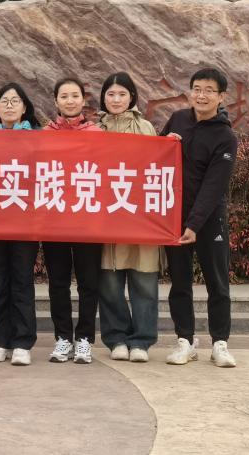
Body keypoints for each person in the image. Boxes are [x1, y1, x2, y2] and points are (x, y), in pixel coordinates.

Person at [161, 67, 239, 368]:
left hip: (209, 220)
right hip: (173, 217)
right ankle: (185, 341)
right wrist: (165, 142)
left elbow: (213, 186)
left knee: (217, 283)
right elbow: (155, 159)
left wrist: (193, 224)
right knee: (179, 283)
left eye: (209, 90)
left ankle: (220, 343)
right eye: (196, 89)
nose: (201, 95)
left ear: (221, 97)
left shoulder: (225, 137)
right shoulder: (178, 119)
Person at [96, 72, 165, 363]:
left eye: (122, 94)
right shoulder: (95, 130)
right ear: (103, 98)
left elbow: (159, 169)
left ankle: (142, 341)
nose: (116, 100)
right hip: (105, 219)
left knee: (144, 283)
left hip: (140, 219)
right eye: (110, 94)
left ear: (132, 97)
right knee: (110, 284)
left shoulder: (146, 128)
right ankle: (117, 339)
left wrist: (171, 145)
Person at [41, 78, 103, 364]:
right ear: (56, 101)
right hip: (53, 218)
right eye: (64, 96)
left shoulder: (97, 134)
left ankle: (85, 339)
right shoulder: (45, 134)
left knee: (89, 283)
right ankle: (63, 337)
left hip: (87, 218)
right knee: (58, 282)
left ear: (83, 100)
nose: (69, 101)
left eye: (74, 95)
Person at [0, 83, 42, 366]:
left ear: (24, 107)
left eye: (15, 101)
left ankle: (22, 342)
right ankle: (0, 341)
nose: (9, 105)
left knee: (21, 281)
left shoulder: (38, 139)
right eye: (4, 101)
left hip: (25, 221)